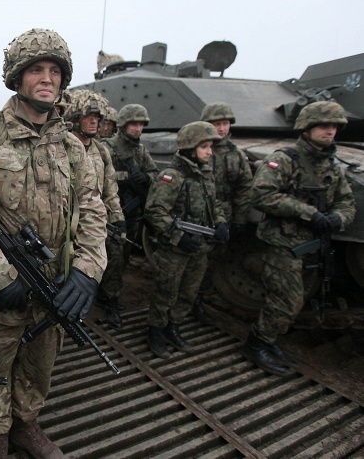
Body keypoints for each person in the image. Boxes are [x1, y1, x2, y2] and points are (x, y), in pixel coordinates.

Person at [0, 28, 107, 459]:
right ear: (17, 78)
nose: (47, 78)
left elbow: (93, 208)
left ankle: (26, 424)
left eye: (55, 71)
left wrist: (88, 270)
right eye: (36, 70)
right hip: (1, 287)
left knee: (40, 363)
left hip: (54, 284)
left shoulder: (72, 147)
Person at [241, 101, 355, 376]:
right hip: (283, 241)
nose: (330, 131)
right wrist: (309, 212)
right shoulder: (285, 159)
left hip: (312, 243)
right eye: (324, 126)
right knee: (287, 300)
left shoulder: (331, 164)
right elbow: (262, 195)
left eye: (334, 126)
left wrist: (338, 218)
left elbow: (346, 201)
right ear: (306, 128)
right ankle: (257, 343)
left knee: (296, 297)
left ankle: (269, 340)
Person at [143, 121, 229, 359]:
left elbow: (214, 204)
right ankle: (155, 331)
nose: (209, 152)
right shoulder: (172, 176)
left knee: (188, 292)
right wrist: (178, 237)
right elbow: (154, 211)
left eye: (210, 146)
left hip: (200, 247)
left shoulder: (205, 174)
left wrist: (220, 222)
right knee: (166, 292)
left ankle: (173, 326)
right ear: (190, 148)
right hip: (174, 250)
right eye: (204, 146)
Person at [66, 89, 125, 329]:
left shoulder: (101, 151)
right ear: (75, 118)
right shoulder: (63, 147)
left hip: (98, 219)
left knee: (114, 256)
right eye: (88, 116)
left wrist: (117, 217)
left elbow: (110, 188)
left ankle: (110, 301)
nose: (93, 122)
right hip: (70, 220)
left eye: (97, 117)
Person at [193, 102, 254, 325]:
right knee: (193, 261)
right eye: (216, 123)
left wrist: (239, 220)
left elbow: (244, 188)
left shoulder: (236, 154)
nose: (221, 128)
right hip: (198, 214)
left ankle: (198, 299)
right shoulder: (196, 149)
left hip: (224, 216)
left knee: (214, 260)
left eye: (225, 123)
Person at [102, 104, 159, 256]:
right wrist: (124, 176)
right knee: (112, 257)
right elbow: (97, 177)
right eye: (134, 124)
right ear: (123, 124)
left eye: (141, 124)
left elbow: (155, 174)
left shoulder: (141, 150)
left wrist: (146, 177)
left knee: (126, 254)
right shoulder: (107, 148)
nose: (138, 129)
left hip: (133, 214)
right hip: (111, 213)